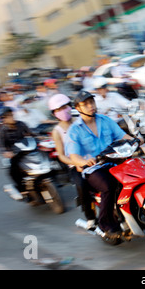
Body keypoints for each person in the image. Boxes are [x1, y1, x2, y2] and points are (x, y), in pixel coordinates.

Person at [65, 90, 135, 238]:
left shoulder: (105, 120)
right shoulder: (74, 130)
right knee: (108, 186)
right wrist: (84, 161)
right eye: (86, 104)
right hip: (94, 169)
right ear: (78, 108)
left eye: (92, 102)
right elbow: (73, 155)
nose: (91, 106)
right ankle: (106, 224)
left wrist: (134, 140)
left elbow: (122, 135)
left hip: (116, 161)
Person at [48, 94, 96, 229]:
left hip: (94, 158)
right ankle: (90, 217)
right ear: (54, 113)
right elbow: (61, 155)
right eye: (59, 109)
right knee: (82, 185)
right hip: (76, 165)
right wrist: (77, 163)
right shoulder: (57, 131)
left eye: (65, 107)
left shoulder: (81, 120)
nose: (63, 111)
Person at [0, 107, 34, 193]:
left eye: (11, 115)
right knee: (12, 172)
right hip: (15, 155)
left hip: (27, 150)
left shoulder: (21, 124)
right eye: (7, 116)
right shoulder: (3, 131)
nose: (11, 117)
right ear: (4, 119)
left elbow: (31, 134)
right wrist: (6, 152)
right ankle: (22, 190)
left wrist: (38, 137)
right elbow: (2, 145)